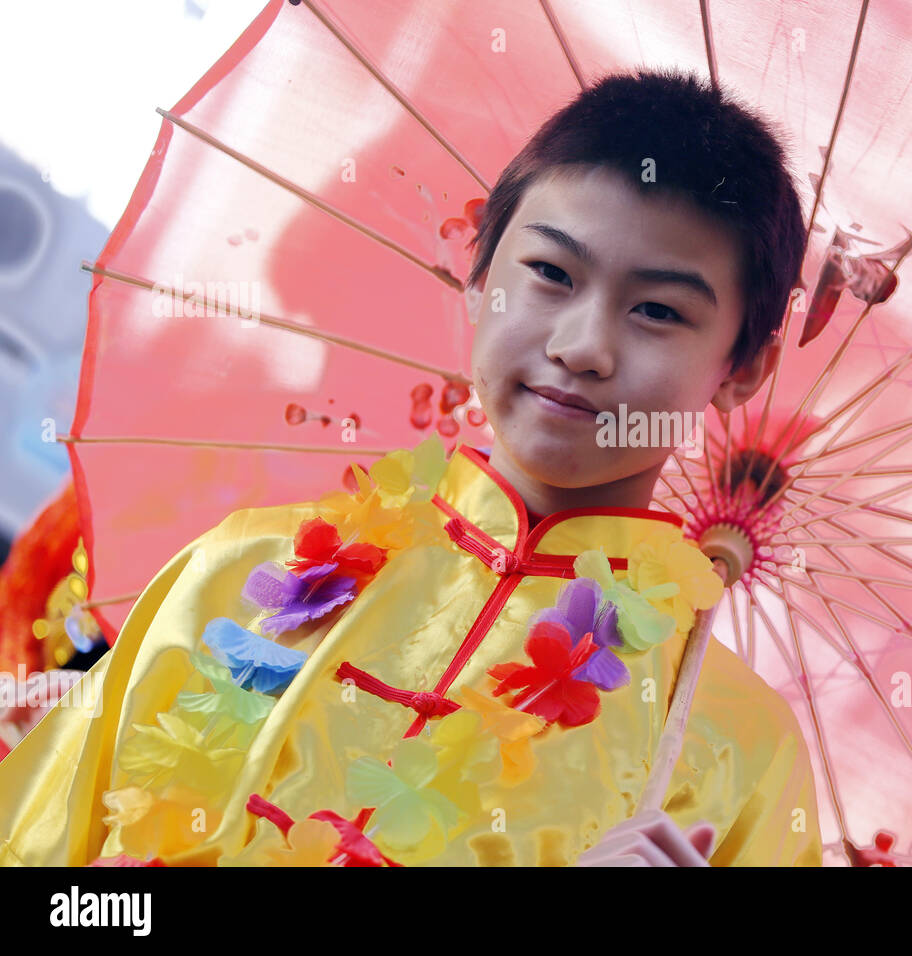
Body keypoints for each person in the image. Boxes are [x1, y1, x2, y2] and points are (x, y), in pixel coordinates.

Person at [0, 67, 820, 867]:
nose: (581, 347)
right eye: (550, 273)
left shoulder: (734, 751)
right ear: (477, 273)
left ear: (743, 366)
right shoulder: (243, 571)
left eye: (658, 310)